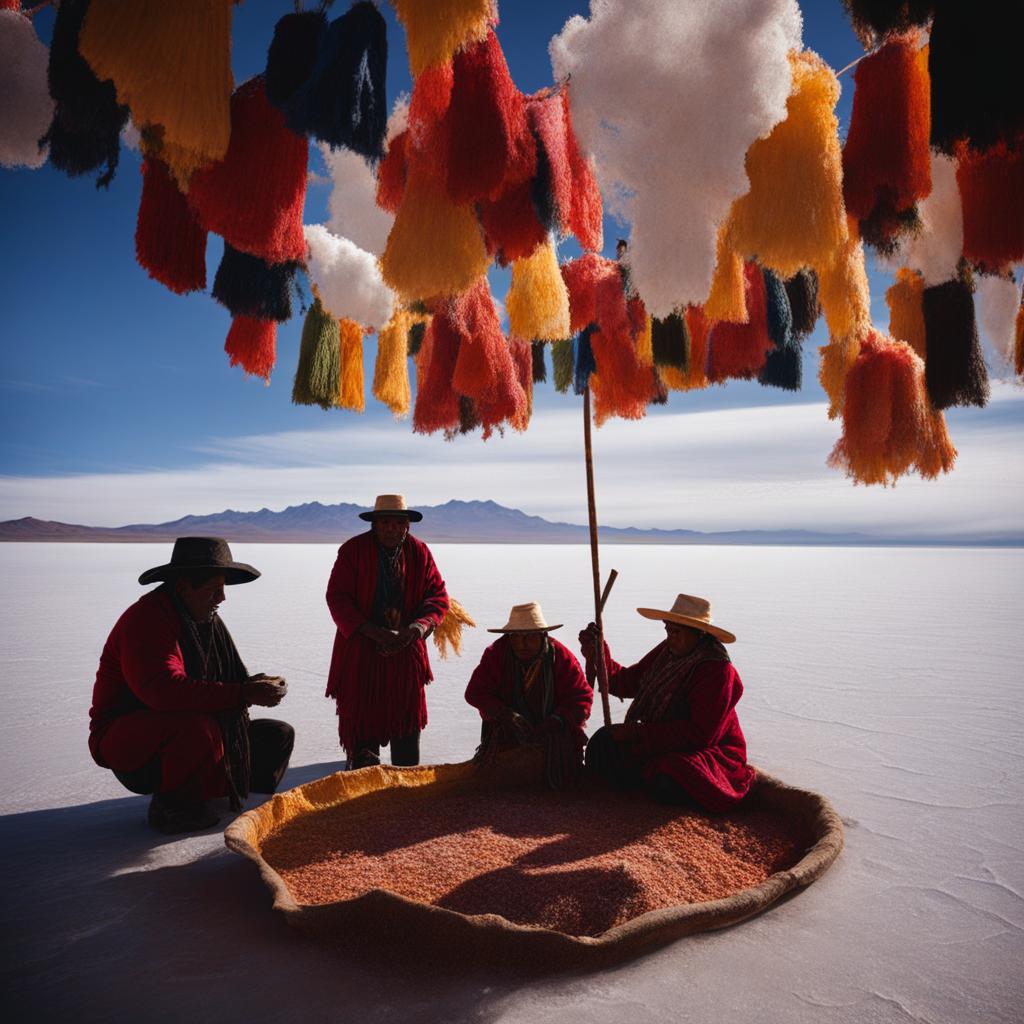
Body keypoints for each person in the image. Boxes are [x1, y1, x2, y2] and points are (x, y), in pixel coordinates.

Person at [88, 537, 294, 834]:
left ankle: (237, 798)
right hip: (129, 744)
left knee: (277, 735)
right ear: (183, 586)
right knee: (197, 729)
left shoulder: (199, 618)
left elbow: (215, 683)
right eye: (214, 589)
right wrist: (243, 693)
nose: (222, 598)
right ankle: (172, 805)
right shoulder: (147, 620)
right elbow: (164, 691)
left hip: (180, 728)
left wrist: (251, 685)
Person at [580, 593, 754, 812]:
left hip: (707, 750)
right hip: (659, 741)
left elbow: (700, 734)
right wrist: (598, 650)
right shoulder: (668, 652)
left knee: (670, 776)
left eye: (677, 632)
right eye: (668, 631)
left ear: (699, 635)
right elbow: (626, 683)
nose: (670, 637)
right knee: (602, 743)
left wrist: (637, 733)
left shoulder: (717, 670)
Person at [325, 494, 449, 769]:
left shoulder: (420, 552)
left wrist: (416, 629)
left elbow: (437, 596)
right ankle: (362, 793)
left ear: (408, 526)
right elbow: (338, 598)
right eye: (385, 523)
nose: (392, 529)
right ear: (375, 525)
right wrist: (373, 632)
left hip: (405, 656)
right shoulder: (352, 551)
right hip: (361, 655)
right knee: (363, 733)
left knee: (405, 727)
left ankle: (404, 790)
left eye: (398, 523)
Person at [465, 602, 592, 787]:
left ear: (543, 635)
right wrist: (504, 714)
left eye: (530, 637)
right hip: (508, 733)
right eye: (516, 637)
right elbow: (475, 693)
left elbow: (581, 698)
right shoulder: (497, 653)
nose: (522, 644)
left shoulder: (561, 657)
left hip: (553, 738)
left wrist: (554, 721)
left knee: (558, 774)